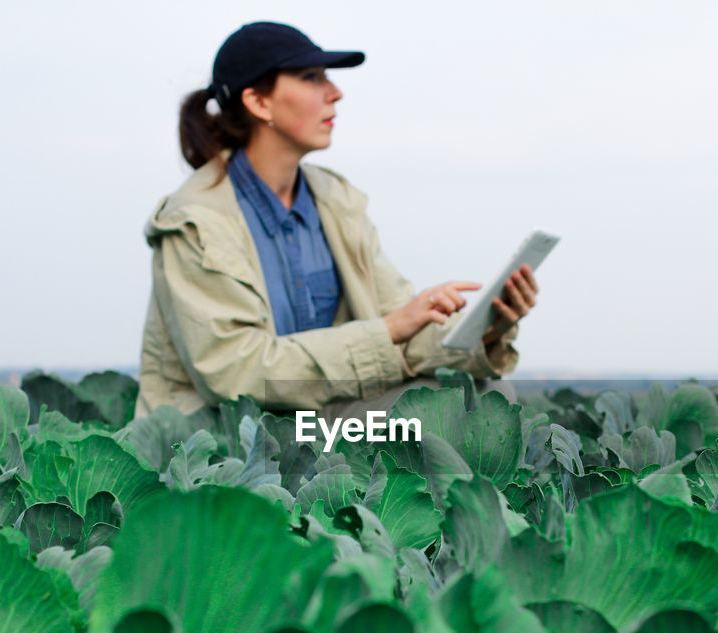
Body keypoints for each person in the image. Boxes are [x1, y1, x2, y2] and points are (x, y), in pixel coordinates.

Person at [135, 21, 539, 418]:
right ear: (258, 102)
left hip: (313, 423)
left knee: (488, 395)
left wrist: (488, 330)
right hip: (230, 437)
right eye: (312, 77)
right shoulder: (194, 220)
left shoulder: (338, 201)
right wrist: (389, 330)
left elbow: (404, 332)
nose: (336, 93)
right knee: (442, 416)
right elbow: (236, 376)